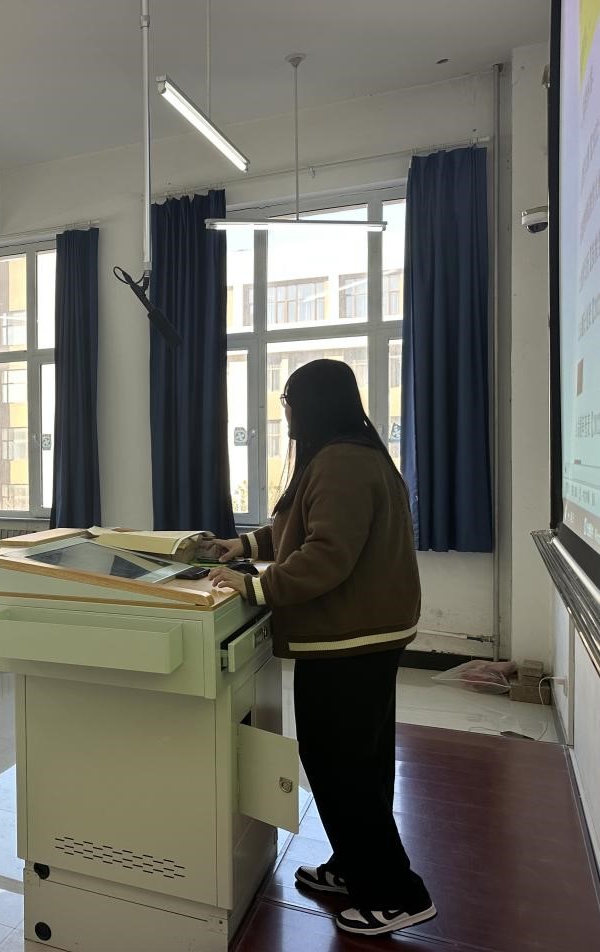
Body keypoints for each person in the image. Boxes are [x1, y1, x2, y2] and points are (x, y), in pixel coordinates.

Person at [207, 359, 434, 938]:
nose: (286, 415)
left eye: (289, 403)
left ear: (313, 404)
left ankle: (397, 892)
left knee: (344, 768)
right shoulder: (348, 454)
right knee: (357, 762)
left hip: (349, 641)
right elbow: (300, 529)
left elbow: (327, 553)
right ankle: (353, 866)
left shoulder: (341, 462)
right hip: (357, 637)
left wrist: (255, 586)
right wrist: (244, 547)